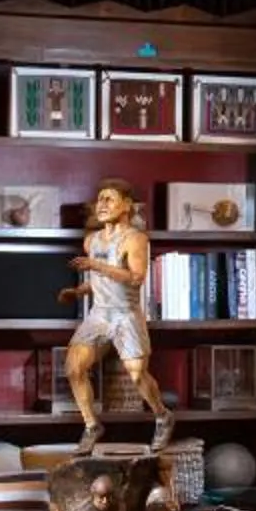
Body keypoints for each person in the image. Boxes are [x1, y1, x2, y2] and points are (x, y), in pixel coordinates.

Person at [61, 178, 174, 452]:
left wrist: (96, 265)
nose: (101, 205)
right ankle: (91, 425)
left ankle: (162, 415)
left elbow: (135, 278)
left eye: (109, 199)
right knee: (73, 368)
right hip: (99, 314)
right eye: (99, 199)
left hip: (126, 315)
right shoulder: (92, 241)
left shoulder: (135, 239)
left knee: (137, 375)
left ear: (126, 205)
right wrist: (78, 291)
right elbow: (100, 282)